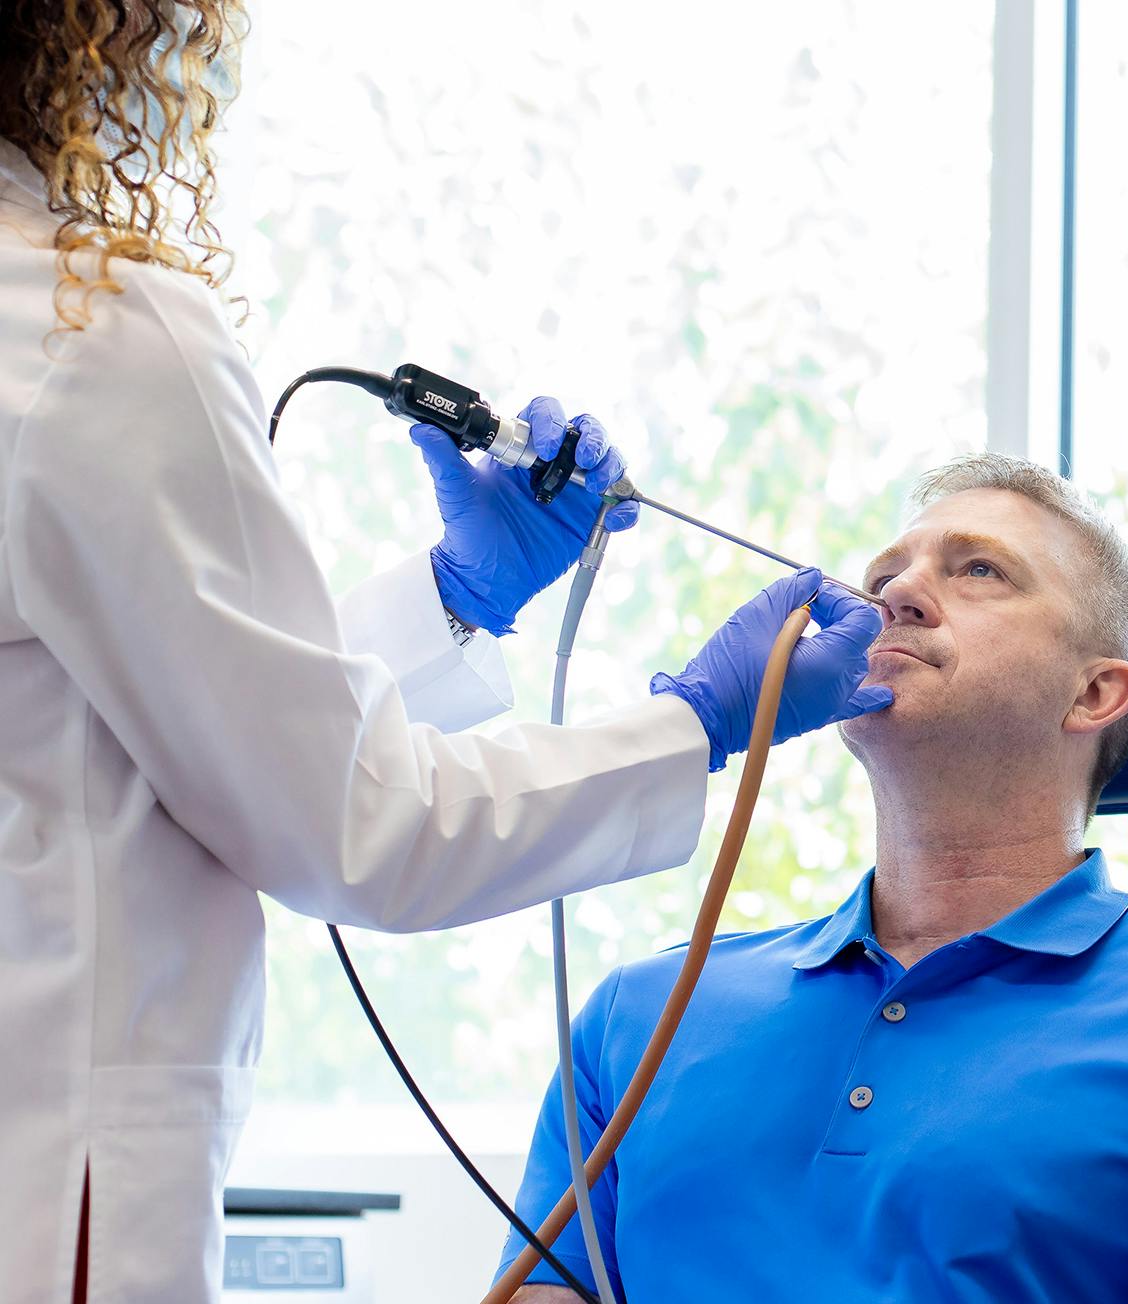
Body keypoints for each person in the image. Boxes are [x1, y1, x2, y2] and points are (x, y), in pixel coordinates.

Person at [0, 6, 893, 1303]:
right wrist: (694, 721)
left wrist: (452, 601)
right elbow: (355, 822)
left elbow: (130, 715)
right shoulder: (82, 331)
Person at [499, 453, 1128, 1304]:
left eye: (979, 569)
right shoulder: (636, 1016)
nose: (894, 596)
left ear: (1095, 693)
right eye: (884, 573)